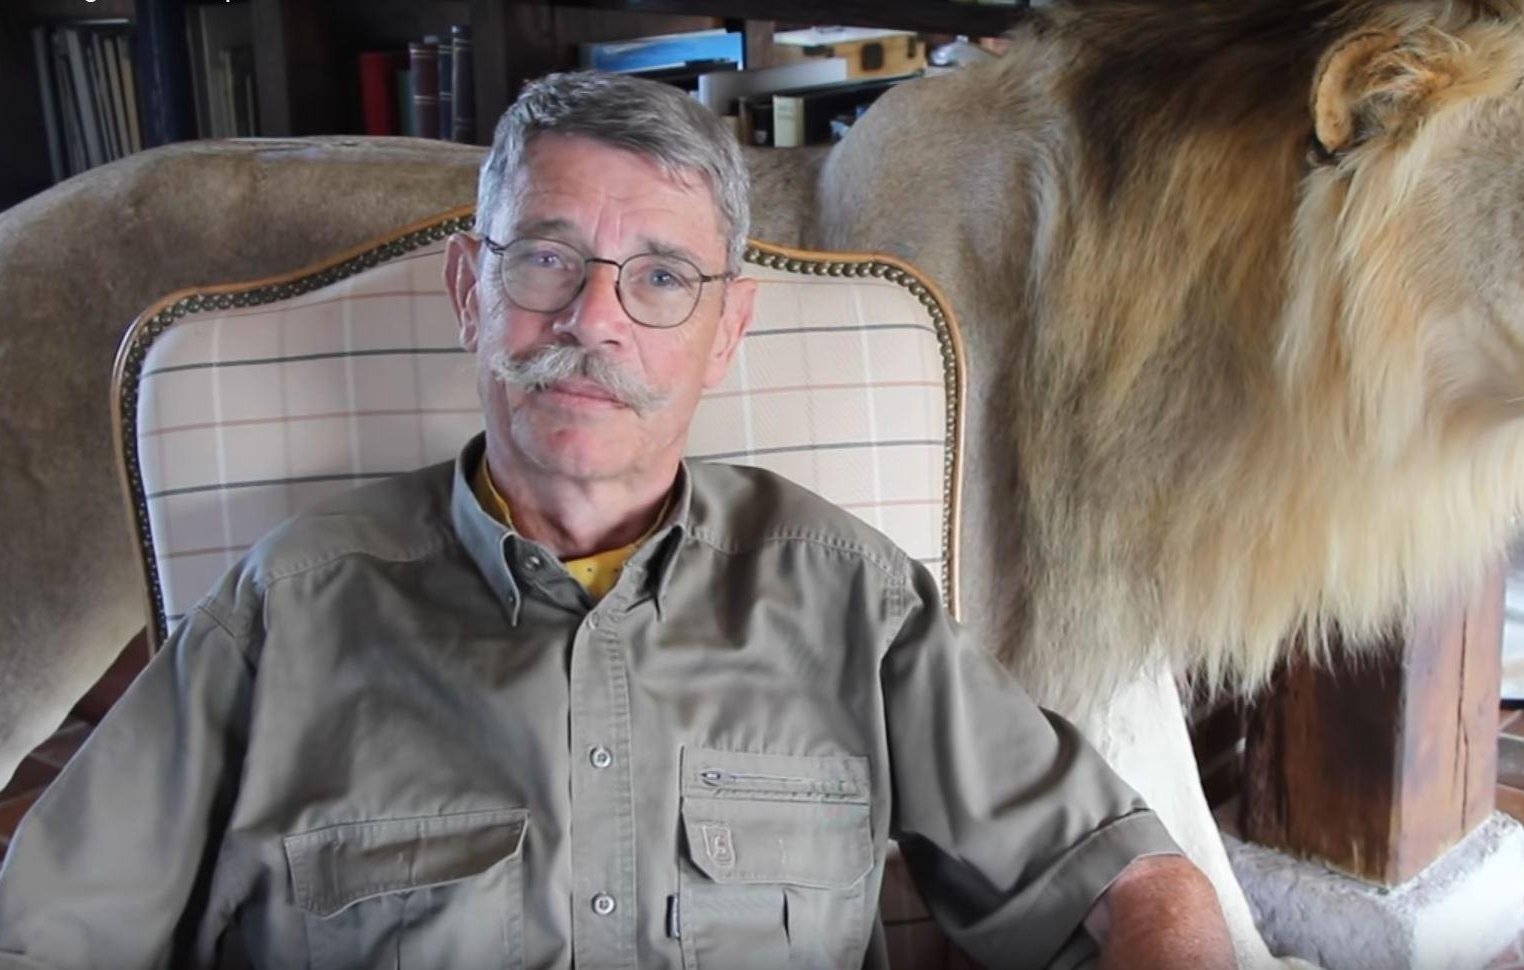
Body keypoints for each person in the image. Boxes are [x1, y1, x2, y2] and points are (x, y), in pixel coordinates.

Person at [0, 71, 1232, 970]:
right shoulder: (288, 610)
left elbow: (1134, 886)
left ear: (726, 331)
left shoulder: (852, 598)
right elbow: (45, 929)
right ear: (472, 292)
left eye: (659, 279)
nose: (595, 321)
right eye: (545, 260)